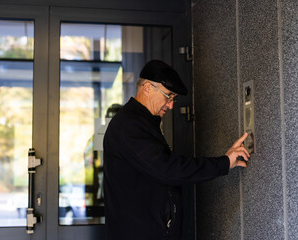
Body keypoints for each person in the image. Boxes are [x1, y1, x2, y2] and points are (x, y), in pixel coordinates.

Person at [103, 60, 250, 240]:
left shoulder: (140, 122)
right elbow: (169, 170)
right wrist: (224, 163)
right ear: (147, 88)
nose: (171, 105)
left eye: (173, 99)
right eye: (168, 96)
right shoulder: (129, 126)